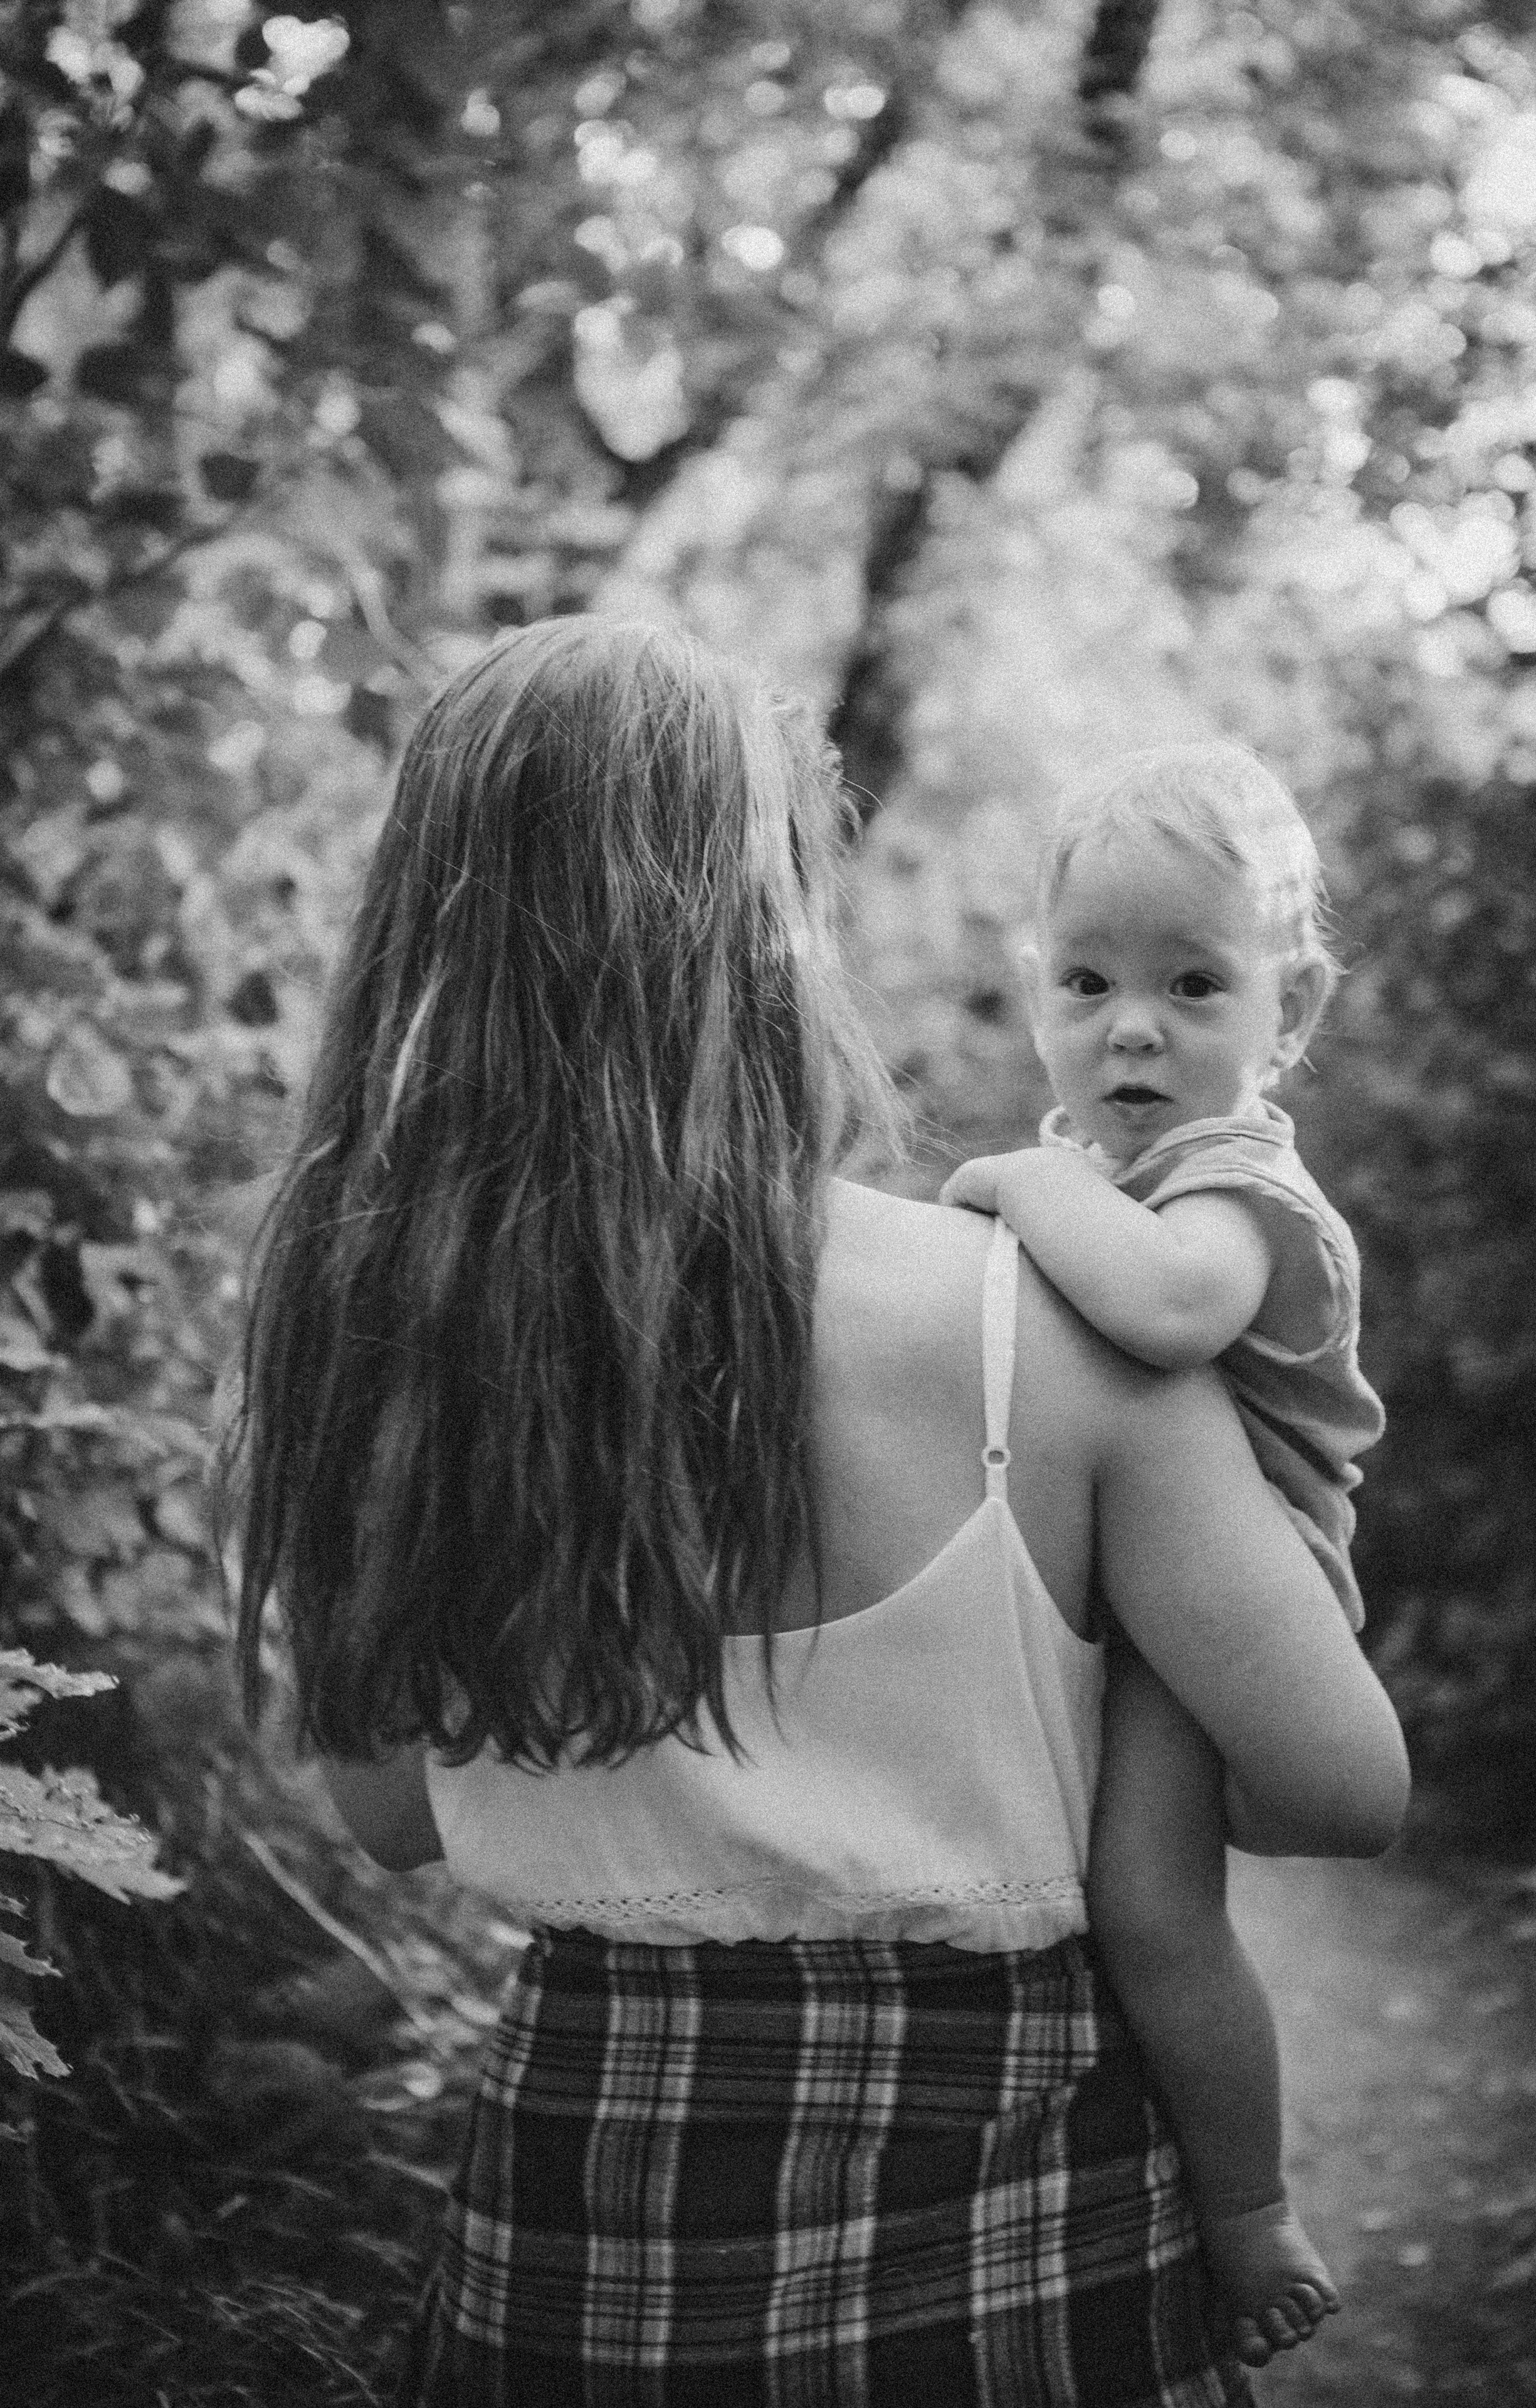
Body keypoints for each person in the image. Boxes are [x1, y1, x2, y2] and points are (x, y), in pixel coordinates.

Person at [226, 623, 1409, 2406]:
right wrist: (1119, 1693)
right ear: (771, 923)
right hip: (1026, 2227)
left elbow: (396, 1821)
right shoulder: (1043, 1321)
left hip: (589, 2230)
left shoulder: (376, 1351)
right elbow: (1343, 1787)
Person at [939, 742, 1386, 2363]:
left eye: (1195, 984)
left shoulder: (1234, 1183)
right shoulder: (1117, 1171)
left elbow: (1173, 1308)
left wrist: (1009, 1184)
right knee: (1080, 1888)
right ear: (1037, 989)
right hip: (1133, 1590)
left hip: (1243, 1601)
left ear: (1292, 1007)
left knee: (1152, 1909)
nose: (1133, 1026)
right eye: (1089, 981)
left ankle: (1252, 2208)